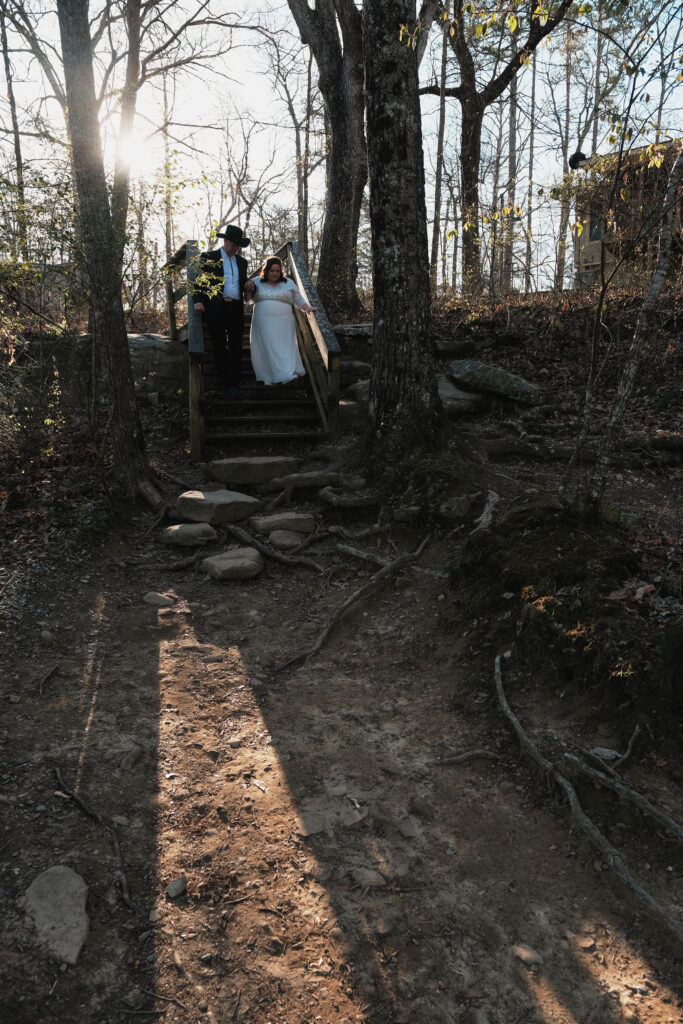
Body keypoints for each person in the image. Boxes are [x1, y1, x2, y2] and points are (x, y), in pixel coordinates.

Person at [193, 225, 250, 399]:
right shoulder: (209, 257)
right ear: (225, 241)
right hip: (216, 307)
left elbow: (242, 281)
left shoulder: (241, 262)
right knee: (218, 343)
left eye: (238, 245)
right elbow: (199, 281)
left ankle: (234, 384)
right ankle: (223, 381)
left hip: (236, 307)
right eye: (234, 244)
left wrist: (248, 285)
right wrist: (198, 300)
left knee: (235, 345)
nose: (236, 247)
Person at [246, 256, 315, 386]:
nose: (275, 273)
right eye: (272, 270)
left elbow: (298, 299)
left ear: (281, 271)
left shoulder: (288, 283)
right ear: (266, 270)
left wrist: (307, 307)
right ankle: (270, 377)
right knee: (268, 347)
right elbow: (248, 300)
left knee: (284, 347)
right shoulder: (256, 281)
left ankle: (288, 374)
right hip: (263, 321)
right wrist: (247, 289)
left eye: (277, 271)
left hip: (284, 321)